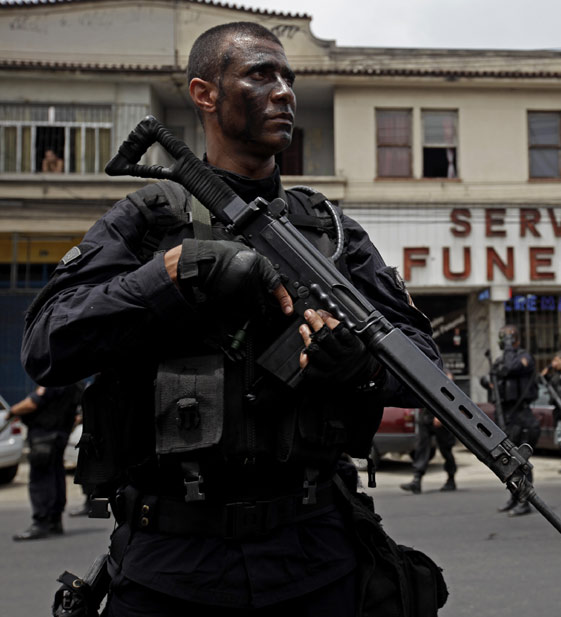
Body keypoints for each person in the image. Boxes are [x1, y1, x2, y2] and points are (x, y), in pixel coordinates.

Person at [21, 21, 439, 616]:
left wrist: (359, 367)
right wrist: (171, 276)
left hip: (315, 551)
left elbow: (423, 362)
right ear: (204, 93)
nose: (285, 92)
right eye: (260, 74)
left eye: (289, 79)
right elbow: (46, 345)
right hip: (170, 563)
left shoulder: (328, 231)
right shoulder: (147, 219)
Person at [9, 383, 82, 541]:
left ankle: (40, 522)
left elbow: (32, 403)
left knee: (40, 480)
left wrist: (11, 412)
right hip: (60, 435)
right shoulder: (74, 383)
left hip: (44, 436)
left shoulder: (52, 380)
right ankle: (55, 521)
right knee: (56, 476)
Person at [485, 325, 539, 516]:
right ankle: (514, 497)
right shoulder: (502, 360)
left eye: (506, 339)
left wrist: (509, 348)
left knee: (520, 460)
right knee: (507, 461)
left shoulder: (524, 358)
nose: (503, 342)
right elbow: (493, 375)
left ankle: (525, 502)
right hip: (506, 415)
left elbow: (510, 368)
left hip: (522, 415)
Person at [400, 407, 458, 494]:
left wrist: (441, 416)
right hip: (425, 416)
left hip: (442, 417)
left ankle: (451, 479)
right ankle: (417, 481)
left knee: (446, 450)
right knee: (421, 448)